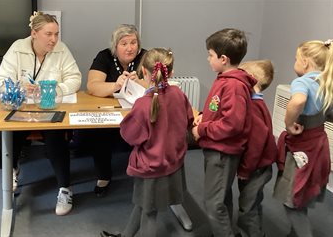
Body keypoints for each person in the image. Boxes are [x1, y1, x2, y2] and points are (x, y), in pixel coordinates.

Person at [99, 47, 194, 237]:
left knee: (149, 212)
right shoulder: (178, 94)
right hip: (173, 163)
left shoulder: (143, 104)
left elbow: (130, 136)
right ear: (172, 73)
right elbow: (189, 120)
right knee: (144, 204)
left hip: (151, 168)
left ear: (144, 72)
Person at [0, 11, 81, 216]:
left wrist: (56, 89)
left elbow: (75, 78)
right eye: (48, 34)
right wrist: (18, 87)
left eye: (56, 34)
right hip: (21, 107)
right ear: (34, 33)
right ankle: (12, 172)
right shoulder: (17, 48)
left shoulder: (62, 49)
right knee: (10, 135)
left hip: (51, 108)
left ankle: (65, 188)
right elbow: (0, 80)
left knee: (55, 140)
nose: (54, 40)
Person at [191, 28, 257, 237]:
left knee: (213, 203)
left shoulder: (234, 86)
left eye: (210, 55)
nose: (208, 58)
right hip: (216, 148)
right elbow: (217, 109)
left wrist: (202, 129)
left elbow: (232, 124)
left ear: (224, 59)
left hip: (222, 152)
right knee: (222, 196)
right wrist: (204, 116)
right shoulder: (224, 79)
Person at [273, 39, 333, 237]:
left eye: (296, 59)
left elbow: (297, 101)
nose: (295, 62)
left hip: (303, 149)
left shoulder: (303, 82)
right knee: (301, 195)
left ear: (306, 62)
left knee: (292, 203)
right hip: (319, 145)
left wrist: (289, 124)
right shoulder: (326, 83)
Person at [79, 24, 146, 196]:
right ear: (115, 46)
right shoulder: (105, 56)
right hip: (110, 110)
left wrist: (138, 81)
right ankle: (103, 176)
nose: (130, 48)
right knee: (100, 134)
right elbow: (92, 86)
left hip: (139, 112)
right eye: (124, 43)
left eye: (133, 43)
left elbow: (157, 84)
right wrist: (116, 84)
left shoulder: (146, 56)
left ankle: (145, 174)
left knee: (149, 131)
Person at [236, 60, 277, 237]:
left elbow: (256, 143)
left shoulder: (252, 107)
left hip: (255, 169)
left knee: (247, 208)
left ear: (251, 80)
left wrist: (245, 170)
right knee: (254, 202)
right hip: (262, 167)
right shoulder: (259, 103)